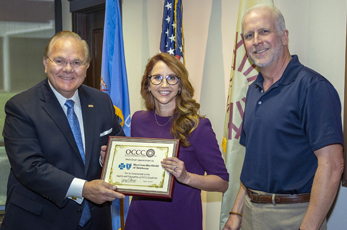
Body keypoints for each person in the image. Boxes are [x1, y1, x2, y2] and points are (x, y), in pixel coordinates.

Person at [222, 4, 344, 230]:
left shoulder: (313, 88)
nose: (256, 40)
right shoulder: (253, 90)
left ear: (284, 36)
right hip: (250, 211)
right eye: (249, 35)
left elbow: (333, 165)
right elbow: (253, 161)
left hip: (293, 216)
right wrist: (236, 212)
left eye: (264, 31)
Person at [1, 31, 125, 230]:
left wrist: (107, 158)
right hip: (40, 221)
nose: (68, 69)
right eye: (59, 60)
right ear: (45, 63)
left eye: (77, 62)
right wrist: (83, 189)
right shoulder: (21, 107)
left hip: (95, 221)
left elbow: (120, 146)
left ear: (87, 67)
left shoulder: (102, 102)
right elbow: (29, 167)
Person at [123, 53, 229, 230]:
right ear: (148, 84)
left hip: (180, 222)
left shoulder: (197, 126)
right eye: (157, 77)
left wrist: (187, 177)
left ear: (180, 85)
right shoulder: (138, 120)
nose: (164, 84)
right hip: (139, 220)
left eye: (172, 78)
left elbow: (222, 182)